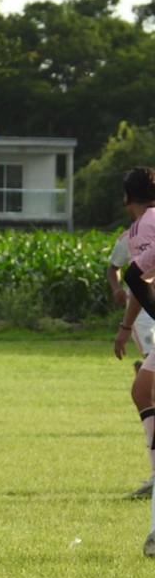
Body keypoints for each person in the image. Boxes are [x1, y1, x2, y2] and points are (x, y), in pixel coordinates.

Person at [112, 166, 155, 555]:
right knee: (142, 390)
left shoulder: (146, 225)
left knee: (143, 391)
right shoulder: (139, 228)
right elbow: (135, 280)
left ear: (128, 197)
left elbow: (136, 276)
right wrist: (126, 326)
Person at [108, 225, 155, 499]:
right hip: (145, 318)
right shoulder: (132, 235)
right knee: (142, 389)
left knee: (144, 389)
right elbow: (130, 276)